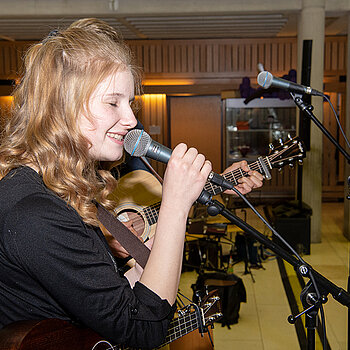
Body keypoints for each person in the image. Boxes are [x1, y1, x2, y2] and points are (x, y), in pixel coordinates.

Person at [0, 18, 263, 348]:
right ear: (61, 107)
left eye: (129, 102)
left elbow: (111, 304)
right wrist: (174, 207)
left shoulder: (60, 187)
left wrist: (153, 254)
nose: (131, 120)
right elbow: (143, 331)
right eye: (113, 102)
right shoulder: (34, 212)